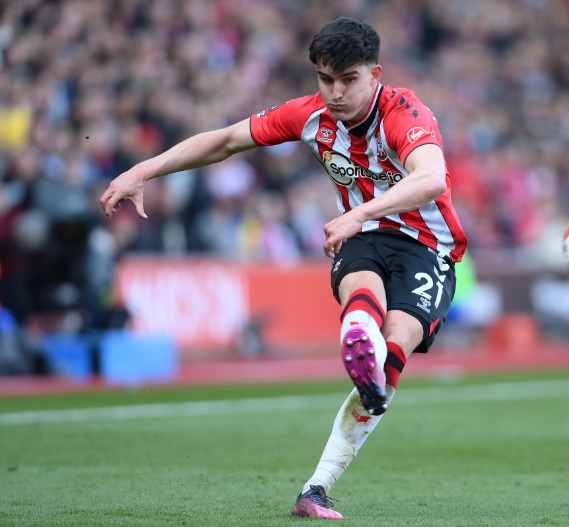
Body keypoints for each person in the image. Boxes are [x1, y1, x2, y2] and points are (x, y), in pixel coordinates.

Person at [100, 16, 467, 520]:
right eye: (325, 79)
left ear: (375, 74)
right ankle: (359, 337)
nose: (336, 93)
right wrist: (144, 170)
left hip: (427, 245)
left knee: (394, 351)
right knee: (362, 289)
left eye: (349, 80)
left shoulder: (405, 113)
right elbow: (225, 140)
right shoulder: (310, 115)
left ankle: (317, 483)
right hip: (362, 236)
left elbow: (431, 179)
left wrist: (358, 211)